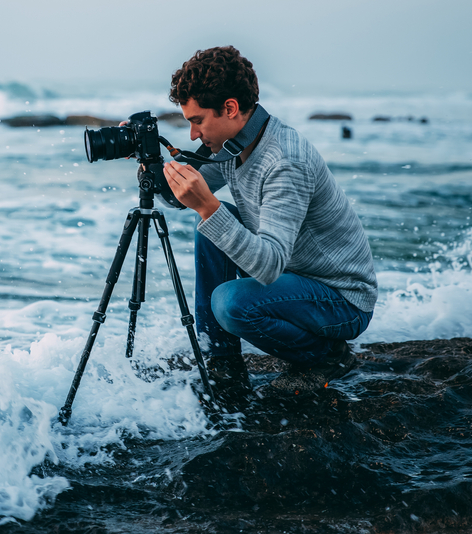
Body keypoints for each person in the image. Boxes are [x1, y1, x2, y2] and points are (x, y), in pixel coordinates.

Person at [161, 46, 377, 411]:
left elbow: (268, 265)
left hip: (341, 298)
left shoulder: (284, 160)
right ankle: (223, 366)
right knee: (209, 227)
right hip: (297, 279)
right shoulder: (234, 144)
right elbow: (177, 194)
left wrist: (207, 206)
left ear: (230, 108)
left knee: (230, 303)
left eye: (197, 120)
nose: (194, 134)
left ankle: (326, 357)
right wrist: (149, 162)